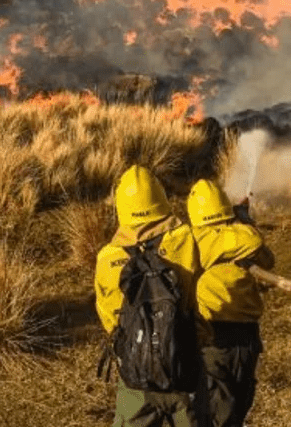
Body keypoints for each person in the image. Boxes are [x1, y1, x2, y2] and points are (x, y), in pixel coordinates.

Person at [95, 165, 201, 427]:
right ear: (160, 197)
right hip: (184, 366)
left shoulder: (107, 257)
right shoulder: (187, 238)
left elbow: (108, 316)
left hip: (135, 373)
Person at [186, 179, 275, 427]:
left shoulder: (190, 239)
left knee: (231, 401)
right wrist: (243, 221)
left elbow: (268, 260)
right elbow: (252, 241)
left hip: (220, 334)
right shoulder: (237, 237)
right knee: (222, 408)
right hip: (223, 335)